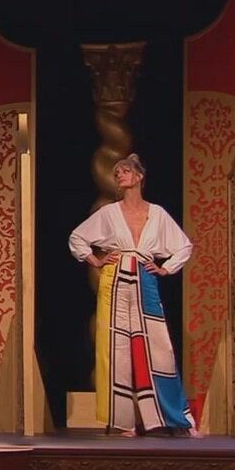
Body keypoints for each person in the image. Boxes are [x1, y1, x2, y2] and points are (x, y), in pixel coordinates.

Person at [68, 153, 201, 437]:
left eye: (125, 170)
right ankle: (125, 421)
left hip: (145, 279)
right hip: (115, 279)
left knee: (158, 348)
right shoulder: (109, 212)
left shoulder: (158, 213)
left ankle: (174, 418)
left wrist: (166, 268)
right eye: (117, 172)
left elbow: (183, 246)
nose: (119, 175)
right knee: (117, 348)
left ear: (139, 176)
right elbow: (77, 238)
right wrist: (95, 260)